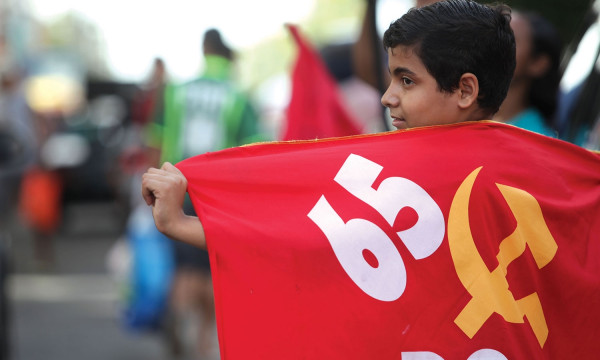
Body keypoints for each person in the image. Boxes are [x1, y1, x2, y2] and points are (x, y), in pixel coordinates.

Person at [141, 0, 515, 250]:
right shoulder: (527, 181)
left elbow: (305, 242)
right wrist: (182, 221)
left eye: (407, 80)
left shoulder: (408, 185)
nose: (387, 98)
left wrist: (181, 223)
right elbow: (301, 235)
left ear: (466, 90)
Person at [156, 28, 263, 359]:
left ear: (204, 51)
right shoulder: (239, 96)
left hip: (174, 185)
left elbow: (153, 139)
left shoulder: (175, 92)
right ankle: (202, 341)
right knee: (211, 271)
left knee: (181, 268)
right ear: (227, 57)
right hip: (216, 195)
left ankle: (180, 316)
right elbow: (256, 151)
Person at [493, 11, 562, 137]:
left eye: (508, 38)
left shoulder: (537, 139)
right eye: (492, 35)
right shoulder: (457, 112)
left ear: (538, 63)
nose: (492, 45)